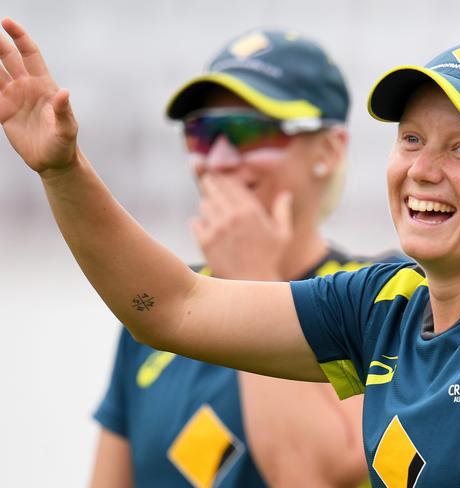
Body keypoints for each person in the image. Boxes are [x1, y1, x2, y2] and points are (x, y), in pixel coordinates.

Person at [1, 18, 460, 487]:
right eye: (412, 139)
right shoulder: (383, 303)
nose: (422, 169)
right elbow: (169, 309)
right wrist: (64, 172)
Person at [86, 28, 394, 487]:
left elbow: (313, 477)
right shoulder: (159, 308)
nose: (221, 160)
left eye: (250, 132)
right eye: (203, 134)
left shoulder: (379, 298)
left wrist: (251, 272)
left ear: (329, 150)